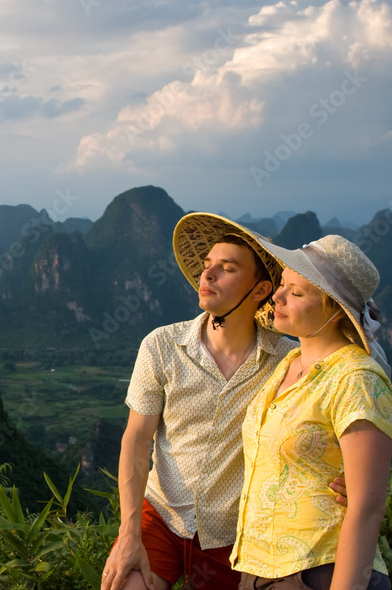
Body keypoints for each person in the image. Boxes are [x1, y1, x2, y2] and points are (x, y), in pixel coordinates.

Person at [102, 213, 300, 590]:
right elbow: (136, 440)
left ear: (260, 290)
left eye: (226, 269)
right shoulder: (161, 346)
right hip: (161, 515)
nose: (207, 276)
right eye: (207, 266)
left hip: (236, 531)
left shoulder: (285, 361)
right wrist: (128, 534)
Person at [231, 235, 392, 590]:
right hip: (260, 569)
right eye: (282, 285)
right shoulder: (289, 363)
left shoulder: (356, 378)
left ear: (335, 309)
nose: (278, 296)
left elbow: (366, 508)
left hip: (321, 569)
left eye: (298, 292)